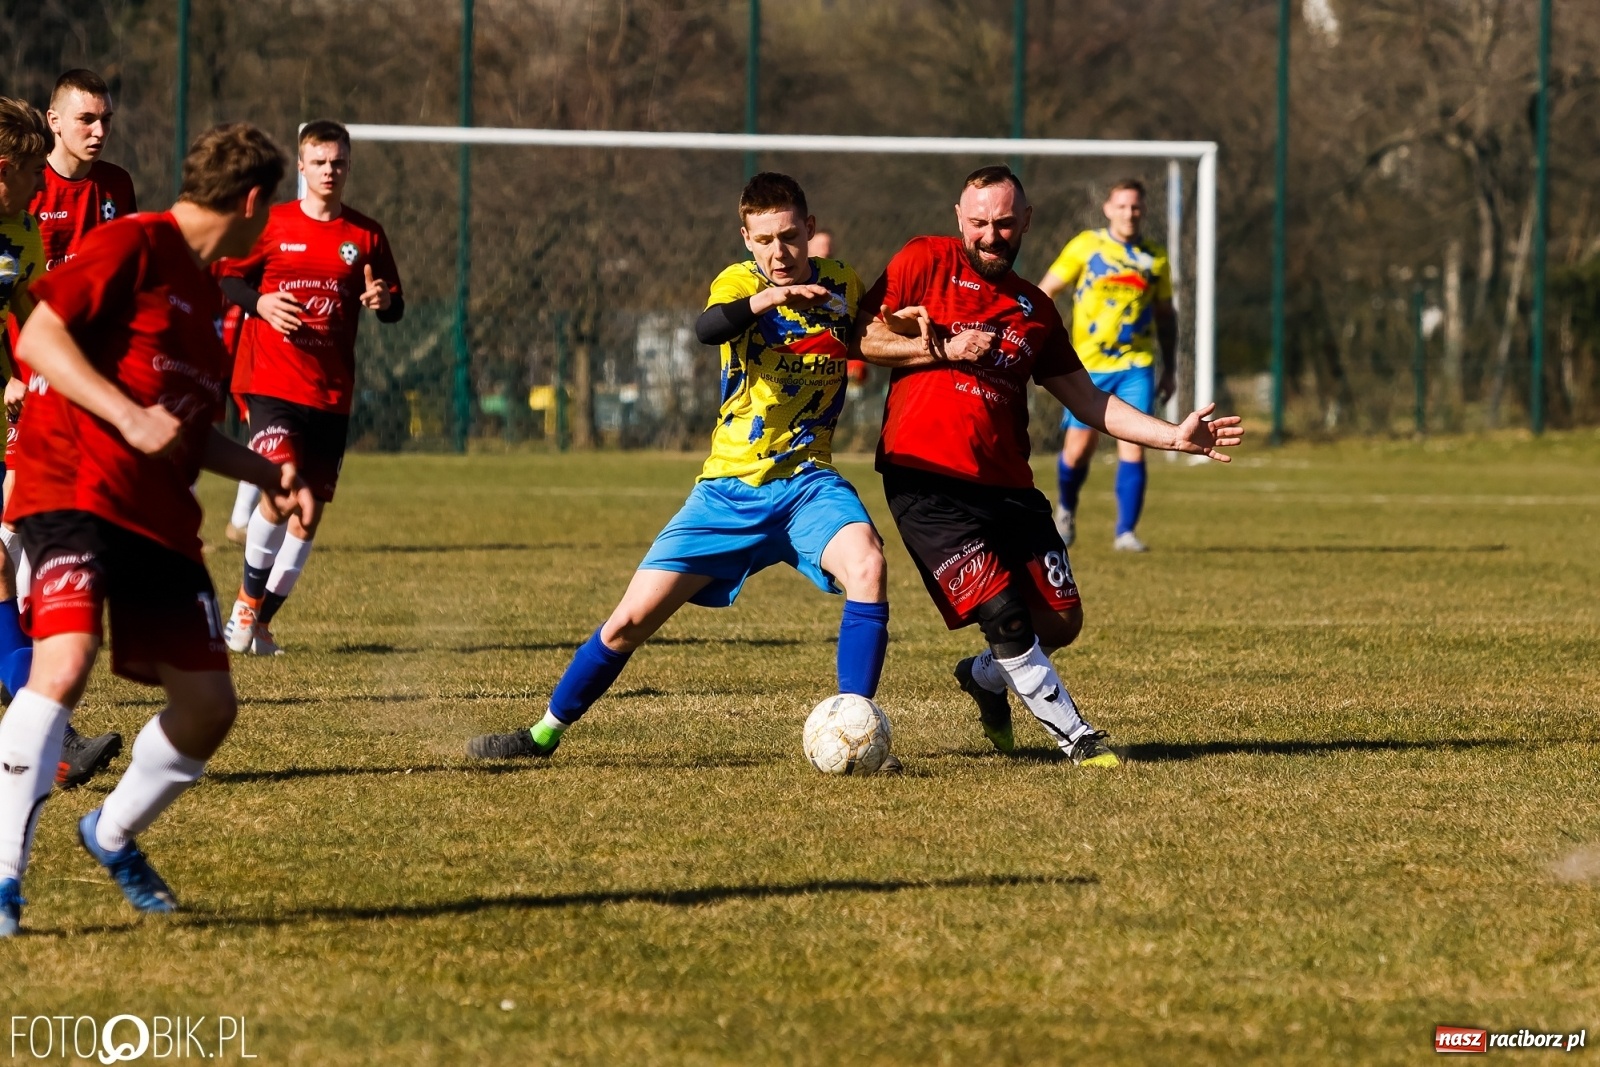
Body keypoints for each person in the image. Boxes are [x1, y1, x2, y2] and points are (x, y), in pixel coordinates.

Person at [0, 123, 313, 935]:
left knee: (209, 706)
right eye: (270, 206)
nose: (268, 220)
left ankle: (109, 833)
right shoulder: (131, 241)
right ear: (251, 202)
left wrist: (269, 475)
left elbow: (186, 429)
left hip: (157, 513)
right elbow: (37, 335)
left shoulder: (207, 292)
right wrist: (122, 413)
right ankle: (2, 878)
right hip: (70, 484)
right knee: (64, 664)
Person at [467, 173, 889, 761]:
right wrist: (768, 299)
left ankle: (856, 728)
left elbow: (874, 337)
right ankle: (542, 735)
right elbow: (707, 328)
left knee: (867, 564)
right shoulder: (739, 283)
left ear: (810, 230)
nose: (779, 251)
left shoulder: (843, 283)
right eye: (764, 238)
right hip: (727, 492)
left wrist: (919, 335)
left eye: (789, 236)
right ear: (746, 237)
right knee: (628, 622)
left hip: (807, 484)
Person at [858, 165, 1240, 766]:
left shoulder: (1034, 308)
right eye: (979, 222)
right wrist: (938, 348)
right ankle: (1078, 738)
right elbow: (865, 337)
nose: (990, 235)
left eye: (1004, 223)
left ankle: (985, 676)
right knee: (1005, 616)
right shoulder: (923, 260)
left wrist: (1174, 436)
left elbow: (1089, 401)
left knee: (1059, 622)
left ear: (1026, 222)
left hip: (1008, 487)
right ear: (960, 218)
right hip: (926, 481)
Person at [218, 120, 405, 655]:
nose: (329, 171)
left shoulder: (365, 235)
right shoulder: (272, 225)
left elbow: (393, 303)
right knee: (284, 486)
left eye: (338, 162)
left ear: (348, 166)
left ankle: (259, 622)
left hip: (331, 394)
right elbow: (230, 279)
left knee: (309, 512)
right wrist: (261, 303)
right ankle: (246, 609)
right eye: (319, 162)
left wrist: (385, 304)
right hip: (272, 385)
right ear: (301, 167)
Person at [11, 70, 141, 788]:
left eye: (105, 119)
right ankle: (49, 734)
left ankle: (47, 728)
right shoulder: (21, 194)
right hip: (29, 383)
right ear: (54, 122)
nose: (98, 130)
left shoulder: (116, 186)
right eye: (86, 118)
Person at [1038, 179, 1177, 551]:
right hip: (1088, 366)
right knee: (1077, 450)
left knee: (1134, 443)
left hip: (1137, 365)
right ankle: (1065, 511)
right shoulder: (1087, 246)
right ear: (1108, 209)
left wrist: (1171, 368)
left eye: (1136, 207)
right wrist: (1048, 341)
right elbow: (1045, 291)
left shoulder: (1154, 257)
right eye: (1122, 206)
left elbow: (1165, 316)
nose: (1129, 213)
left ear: (1143, 211)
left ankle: (1125, 532)